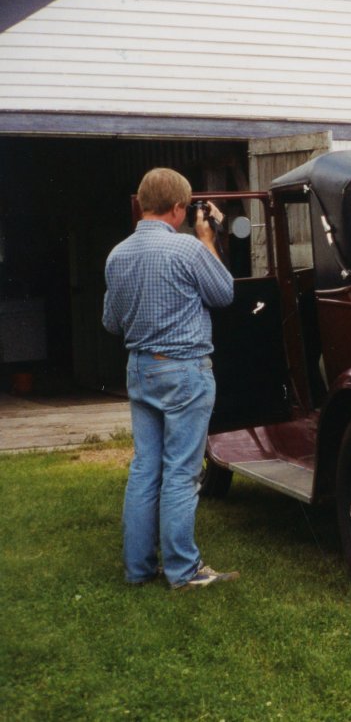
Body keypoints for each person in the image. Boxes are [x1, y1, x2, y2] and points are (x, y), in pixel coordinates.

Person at [102, 168, 239, 590]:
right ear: (179, 208)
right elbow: (225, 293)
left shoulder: (117, 255)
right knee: (181, 471)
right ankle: (183, 569)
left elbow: (110, 322)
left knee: (145, 469)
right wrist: (208, 239)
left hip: (140, 368)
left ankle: (139, 569)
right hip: (184, 369)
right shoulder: (188, 250)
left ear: (143, 203)